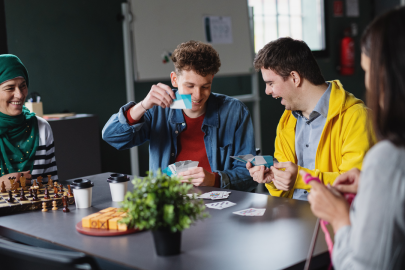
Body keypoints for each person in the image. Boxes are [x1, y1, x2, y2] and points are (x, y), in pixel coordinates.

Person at [304, 7, 405, 269]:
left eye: (369, 72)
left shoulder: (390, 157)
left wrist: (339, 217)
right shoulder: (286, 122)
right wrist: (375, 188)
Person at [102, 40, 256, 191]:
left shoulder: (235, 112)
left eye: (205, 86)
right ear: (174, 80)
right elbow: (111, 136)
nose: (197, 95)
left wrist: (215, 180)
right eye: (190, 86)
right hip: (168, 202)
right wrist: (143, 105)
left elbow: (250, 175)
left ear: (212, 79)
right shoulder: (158, 110)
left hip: (218, 203)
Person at [247, 37, 375, 200]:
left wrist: (300, 178)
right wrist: (272, 178)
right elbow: (282, 193)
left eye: (271, 83)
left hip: (337, 218)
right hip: (293, 216)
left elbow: (353, 186)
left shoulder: (356, 117)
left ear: (295, 78)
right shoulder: (287, 122)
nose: (267, 91)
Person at [0, 54, 58, 189]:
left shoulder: (42, 128)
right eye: (10, 88)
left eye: (23, 86)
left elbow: (52, 187)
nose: (20, 95)